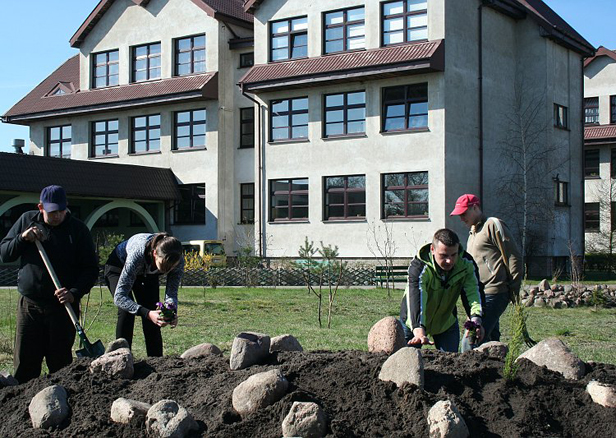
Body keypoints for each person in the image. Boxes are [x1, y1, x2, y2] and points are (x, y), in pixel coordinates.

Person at [0, 185, 99, 383]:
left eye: (61, 211)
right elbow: (5, 253)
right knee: (26, 363)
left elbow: (90, 269)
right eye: (52, 212)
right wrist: (22, 238)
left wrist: (74, 292)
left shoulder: (77, 230)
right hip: (30, 306)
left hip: (63, 307)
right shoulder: (27, 221)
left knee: (60, 363)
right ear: (40, 207)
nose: (57, 216)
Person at [450, 194, 523, 349]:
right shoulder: (473, 232)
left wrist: (514, 289)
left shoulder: (493, 225)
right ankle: (498, 369)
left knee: (471, 340)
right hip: (479, 294)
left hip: (494, 292)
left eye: (464, 213)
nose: (461, 218)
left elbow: (513, 256)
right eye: (459, 215)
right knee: (491, 340)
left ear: (475, 207)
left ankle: (466, 371)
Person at [400, 228, 484, 352]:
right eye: (443, 256)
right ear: (432, 250)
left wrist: (476, 320)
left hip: (446, 323)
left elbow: (473, 293)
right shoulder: (419, 267)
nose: (449, 261)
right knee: (404, 363)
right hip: (412, 323)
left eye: (453, 255)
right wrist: (418, 329)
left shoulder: (466, 263)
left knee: (452, 364)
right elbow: (417, 297)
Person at [104, 232, 184, 356]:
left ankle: (157, 361)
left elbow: (172, 292)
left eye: (171, 268)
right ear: (155, 253)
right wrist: (146, 313)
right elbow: (120, 297)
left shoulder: (177, 260)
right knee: (126, 312)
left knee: (154, 314)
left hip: (147, 273)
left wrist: (171, 311)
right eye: (163, 266)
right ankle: (121, 357)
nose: (166, 271)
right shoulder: (138, 253)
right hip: (118, 266)